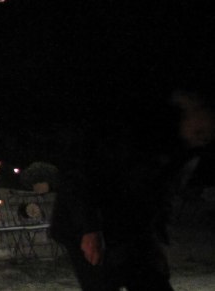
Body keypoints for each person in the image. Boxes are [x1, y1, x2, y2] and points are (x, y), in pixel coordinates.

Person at [49, 88, 214, 291]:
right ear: (191, 109)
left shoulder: (186, 149)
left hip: (131, 230)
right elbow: (80, 175)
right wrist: (89, 228)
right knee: (103, 282)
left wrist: (155, 243)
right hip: (90, 222)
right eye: (202, 131)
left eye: (207, 137)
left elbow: (160, 198)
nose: (205, 137)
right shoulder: (139, 131)